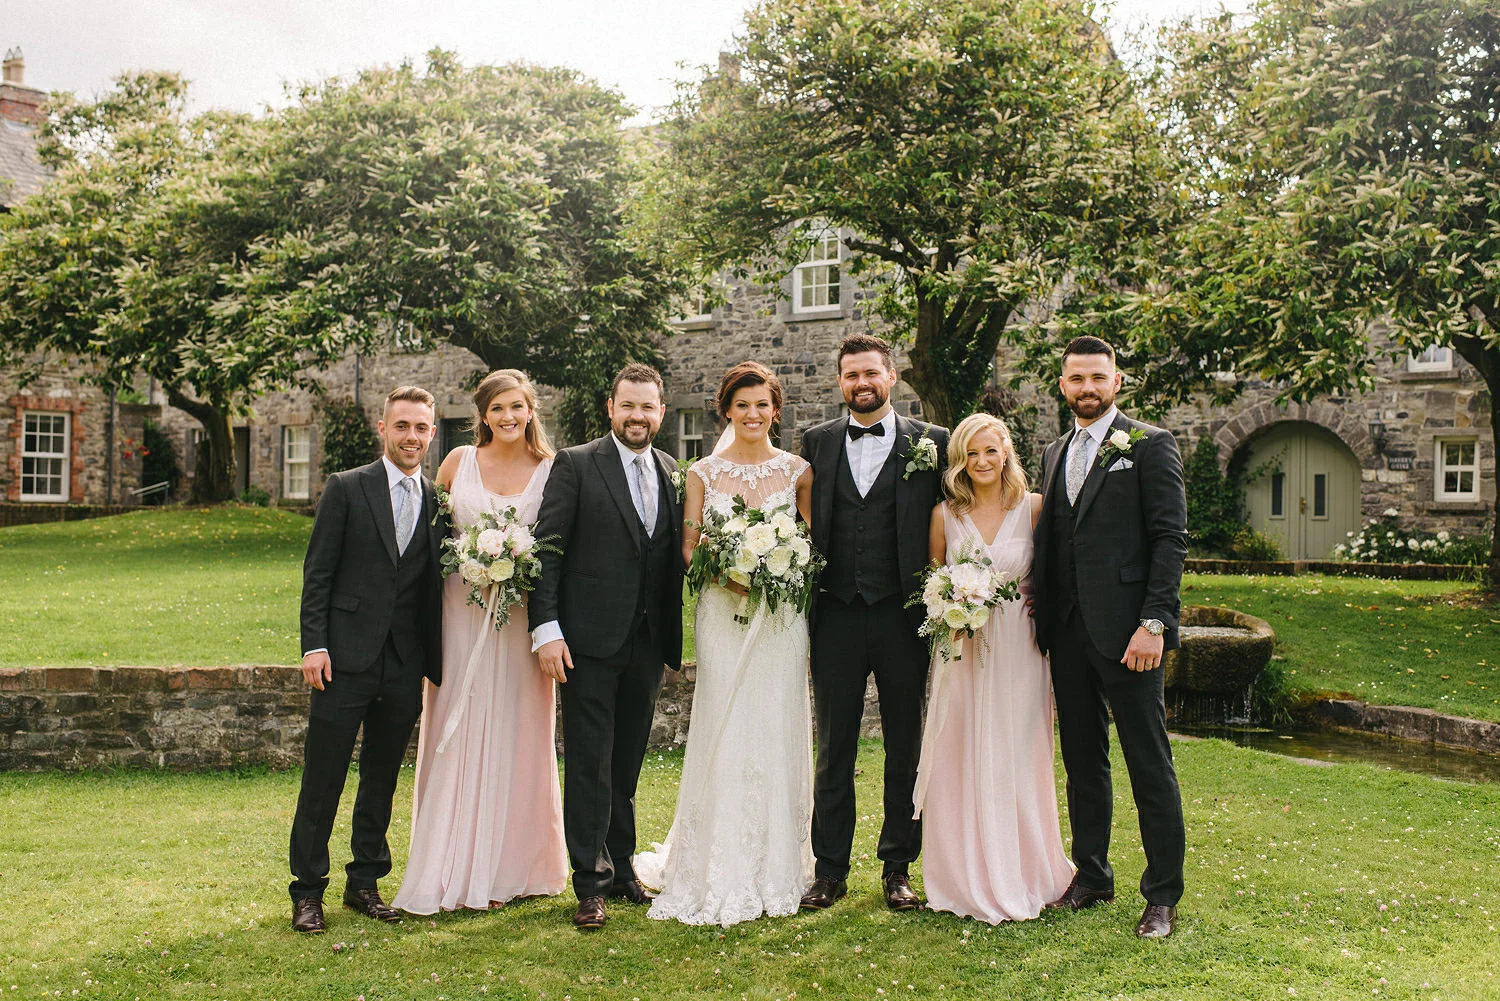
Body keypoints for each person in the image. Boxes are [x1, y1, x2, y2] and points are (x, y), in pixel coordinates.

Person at [634, 362, 815, 926]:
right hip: (721, 611)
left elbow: (810, 545)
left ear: (775, 410)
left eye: (762, 404)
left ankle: (777, 861)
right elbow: (690, 546)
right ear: (727, 411)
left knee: (776, 720)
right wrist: (733, 571)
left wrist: (777, 568)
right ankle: (713, 858)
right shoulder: (702, 473)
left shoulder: (798, 472)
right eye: (742, 405)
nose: (752, 414)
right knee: (725, 719)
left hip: (780, 619)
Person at [1031, 335, 1189, 939]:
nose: (1087, 388)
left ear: (1117, 381)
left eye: (1098, 377)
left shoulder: (1150, 444)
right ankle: (1093, 875)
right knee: (1083, 762)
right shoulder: (1054, 452)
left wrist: (1154, 624)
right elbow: (1055, 539)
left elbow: (1170, 539)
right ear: (1063, 385)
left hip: (1130, 636)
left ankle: (1162, 895)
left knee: (1148, 761)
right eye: (1077, 378)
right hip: (1067, 633)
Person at [394, 370, 568, 914]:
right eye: (497, 409)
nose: (507, 417)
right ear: (483, 416)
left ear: (531, 409)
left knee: (520, 729)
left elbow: (558, 551)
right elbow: (427, 545)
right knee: (458, 721)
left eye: (516, 406)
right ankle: (447, 862)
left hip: (519, 622)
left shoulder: (553, 469)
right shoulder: (456, 463)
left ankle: (515, 866)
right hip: (459, 615)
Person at [529, 363, 684, 931]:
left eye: (647, 407)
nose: (637, 417)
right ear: (611, 408)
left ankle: (621, 869)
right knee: (590, 762)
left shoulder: (671, 470)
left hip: (648, 641)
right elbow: (547, 548)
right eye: (628, 406)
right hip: (587, 640)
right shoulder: (576, 463)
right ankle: (590, 883)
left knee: (626, 761)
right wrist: (546, 630)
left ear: (660, 412)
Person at [798, 333, 949, 912]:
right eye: (851, 375)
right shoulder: (816, 442)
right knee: (833, 746)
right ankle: (829, 869)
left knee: (904, 744)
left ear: (891, 376)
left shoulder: (933, 442)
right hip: (835, 613)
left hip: (903, 615)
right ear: (840, 382)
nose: (861, 383)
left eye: (870, 373)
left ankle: (897, 867)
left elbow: (958, 512)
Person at [288, 386, 446, 933]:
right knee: (323, 778)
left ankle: (365, 882)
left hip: (403, 663)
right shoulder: (347, 487)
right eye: (402, 426)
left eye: (420, 427)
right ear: (383, 429)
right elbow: (319, 572)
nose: (411, 436)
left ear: (432, 433)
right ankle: (308, 891)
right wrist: (314, 645)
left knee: (381, 780)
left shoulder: (438, 501)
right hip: (344, 660)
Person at [912, 413, 1074, 923]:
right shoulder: (944, 514)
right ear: (959, 460)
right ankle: (962, 873)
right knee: (960, 748)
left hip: (1019, 646)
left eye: (990, 450)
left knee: (1020, 748)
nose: (981, 461)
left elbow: (1054, 573)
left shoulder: (1034, 508)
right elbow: (933, 582)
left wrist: (1041, 604)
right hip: (961, 648)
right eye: (971, 453)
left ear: (1006, 452)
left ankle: (1025, 870)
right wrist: (949, 609)